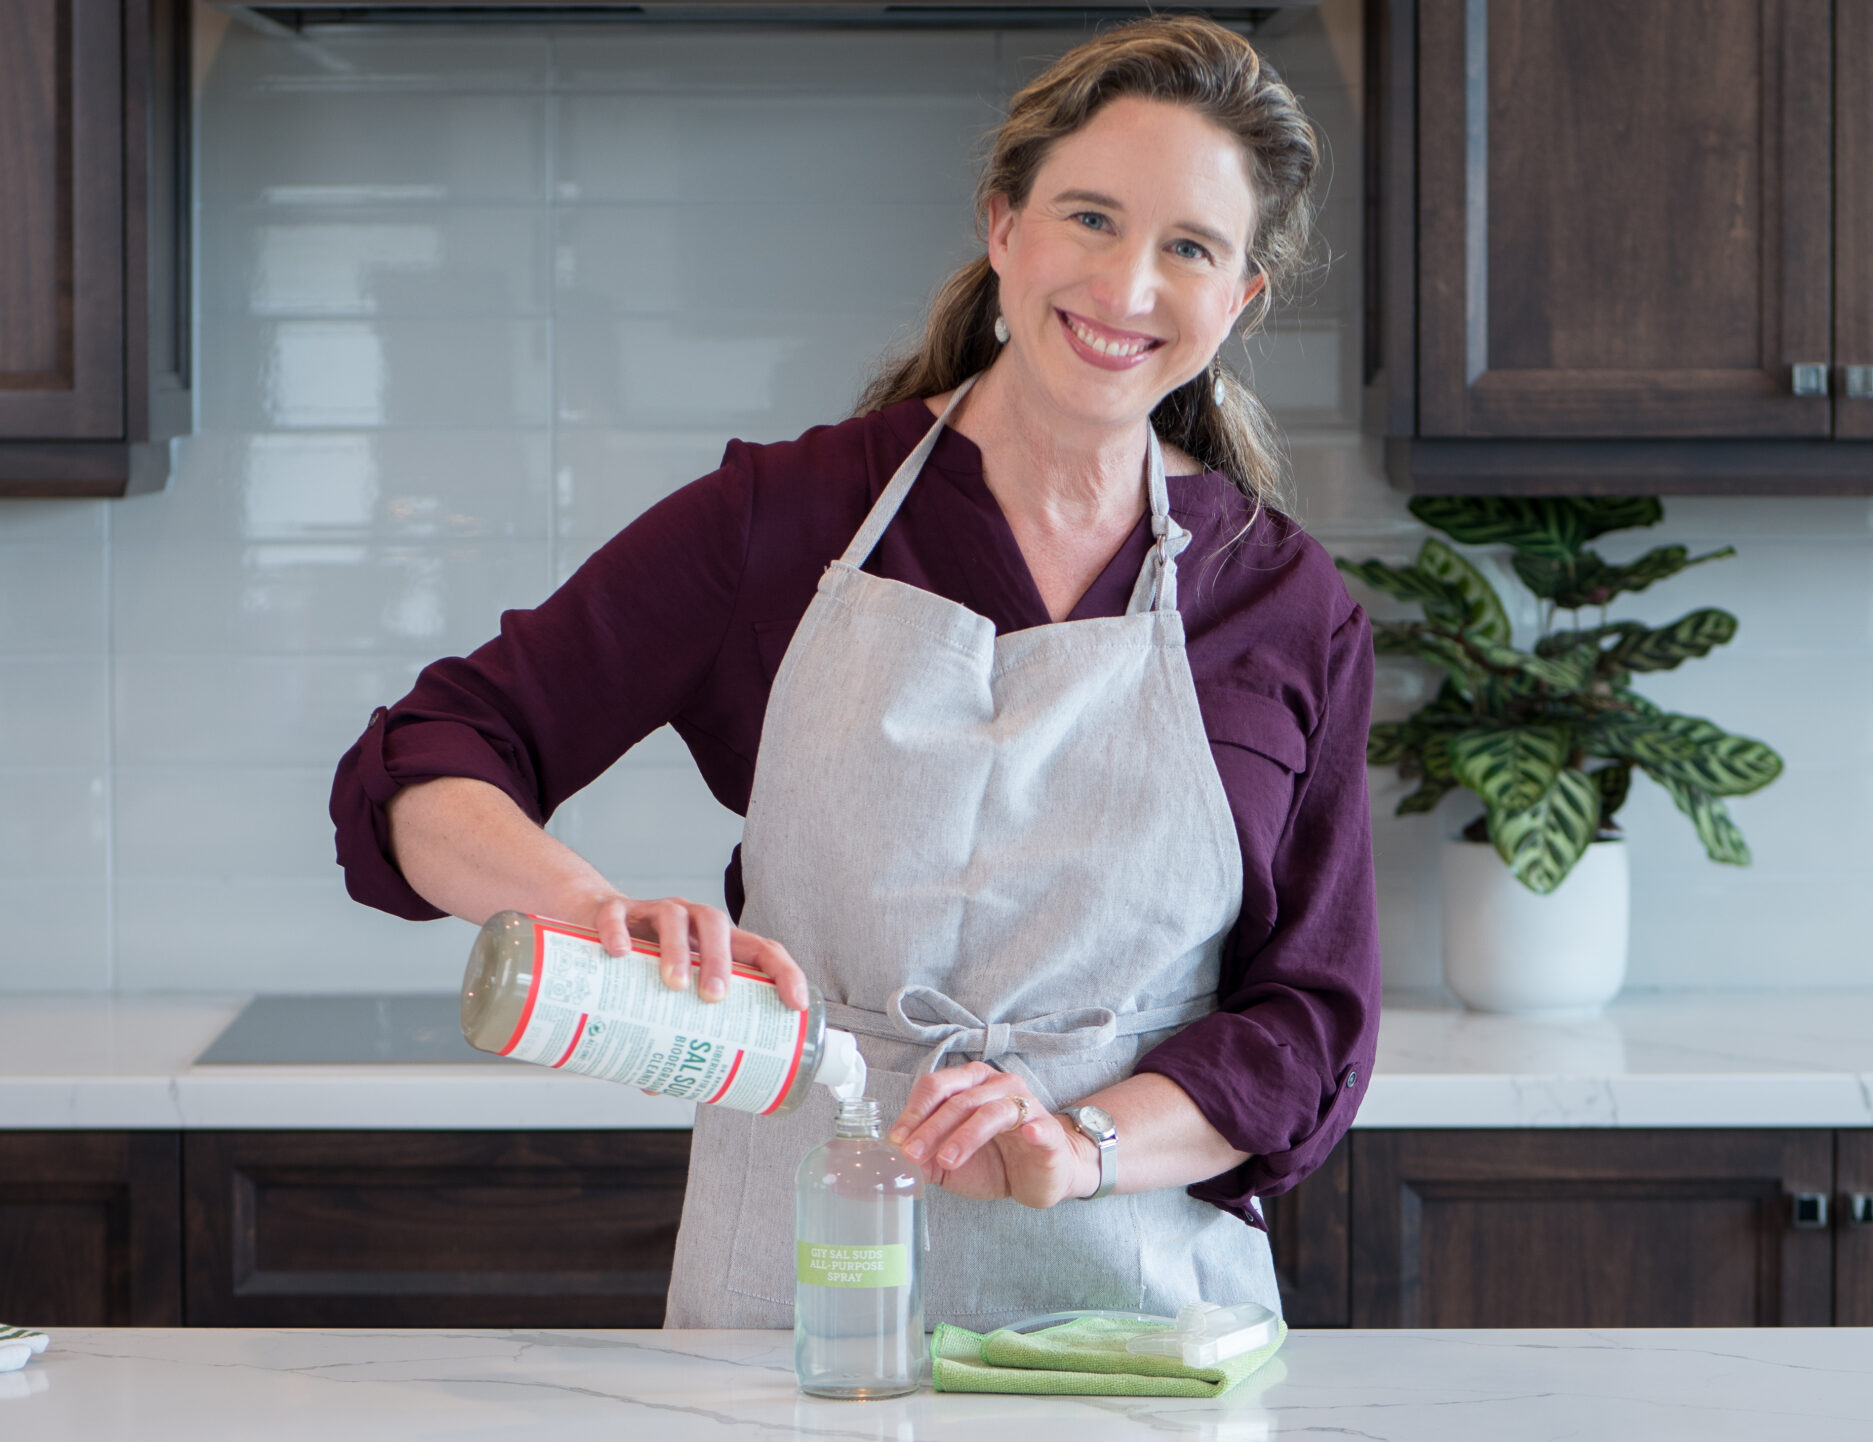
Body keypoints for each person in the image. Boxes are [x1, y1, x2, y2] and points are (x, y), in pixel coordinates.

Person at [329, 15, 1378, 1331]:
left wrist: (1080, 1142)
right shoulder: (782, 520)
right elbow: (430, 756)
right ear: (1004, 228)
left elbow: (1312, 1020)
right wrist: (593, 912)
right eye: (1091, 218)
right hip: (792, 1303)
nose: (1127, 287)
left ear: (1239, 299)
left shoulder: (1283, 604)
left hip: (1139, 1325)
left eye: (1188, 247)